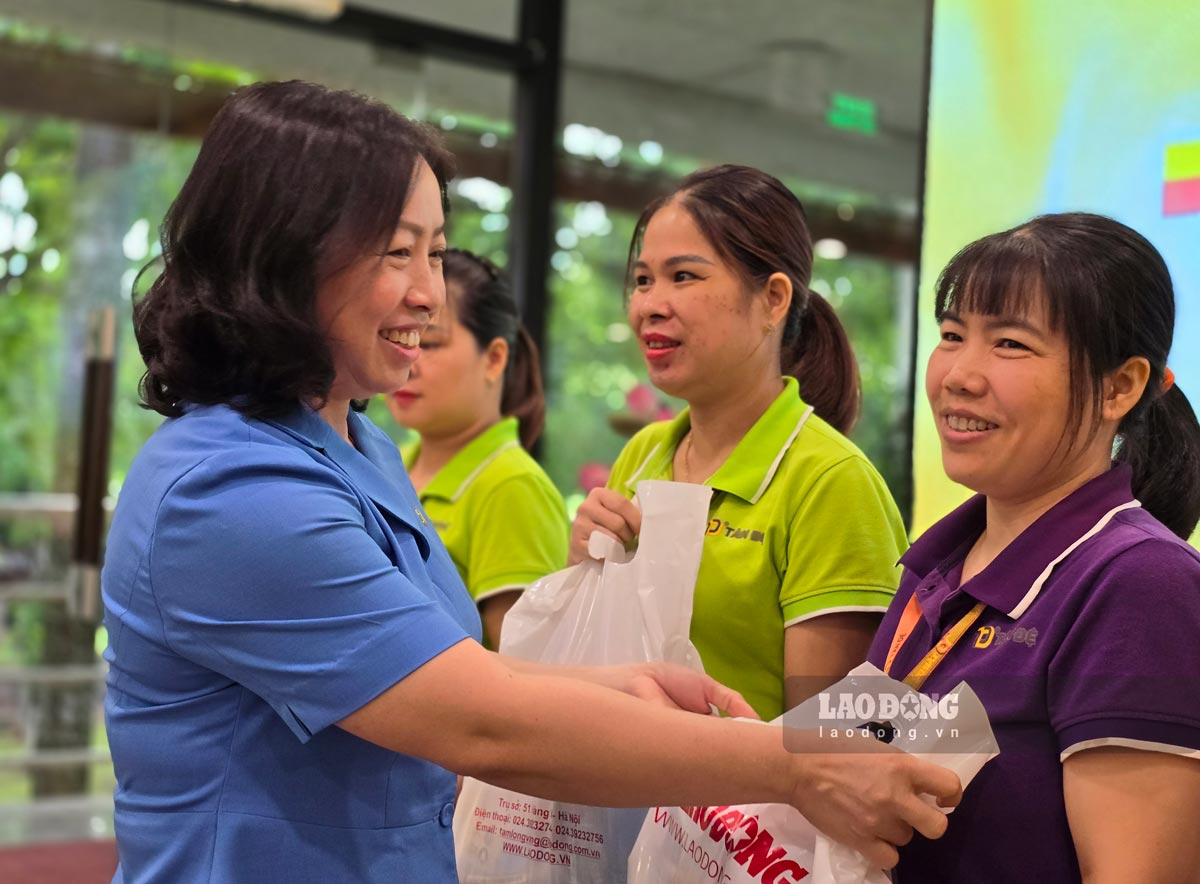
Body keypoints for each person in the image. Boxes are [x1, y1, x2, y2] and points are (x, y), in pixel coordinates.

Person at [101, 81, 958, 883]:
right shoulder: (232, 488)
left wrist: (619, 686)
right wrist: (790, 761)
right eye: (399, 252)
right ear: (282, 255)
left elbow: (460, 674)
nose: (430, 298)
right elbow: (479, 716)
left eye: (436, 253)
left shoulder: (362, 449)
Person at [865, 212, 1200, 882]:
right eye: (952, 335)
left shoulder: (1140, 583)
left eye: (1010, 344)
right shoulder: (937, 565)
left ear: (1121, 386)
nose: (959, 373)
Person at [571, 165, 908, 720]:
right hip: (626, 796)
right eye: (642, 279)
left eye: (684, 276)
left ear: (774, 299)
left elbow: (825, 747)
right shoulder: (644, 453)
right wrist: (582, 562)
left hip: (752, 806)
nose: (650, 304)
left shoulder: (831, 482)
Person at [386, 249, 566, 648]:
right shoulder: (387, 463)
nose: (409, 358)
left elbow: (523, 675)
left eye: (429, 342)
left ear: (494, 358)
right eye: (399, 336)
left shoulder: (511, 486)